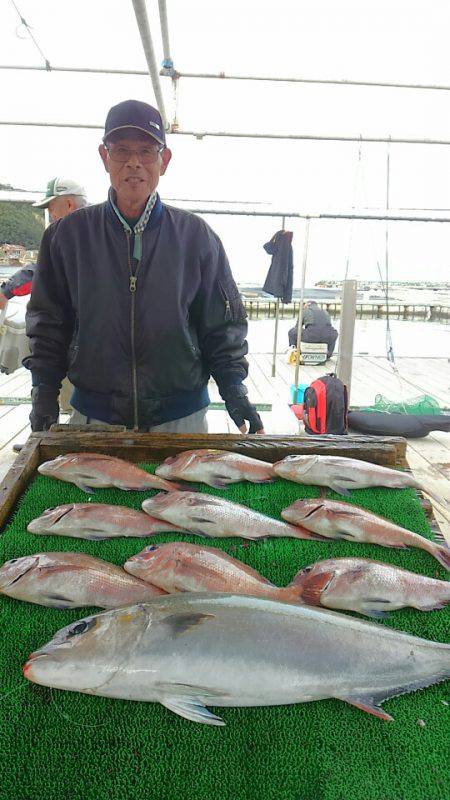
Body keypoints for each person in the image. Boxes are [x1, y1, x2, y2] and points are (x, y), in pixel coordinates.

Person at [24, 99, 264, 435]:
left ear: (163, 160)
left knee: (184, 491)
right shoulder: (65, 237)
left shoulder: (197, 237)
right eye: (121, 150)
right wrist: (44, 391)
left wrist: (234, 389)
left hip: (182, 419)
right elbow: (49, 323)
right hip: (95, 417)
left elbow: (222, 326)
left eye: (147, 151)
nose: (134, 162)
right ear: (104, 157)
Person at [0, 178, 87, 310]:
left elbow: (45, 271)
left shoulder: (76, 238)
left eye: (51, 209)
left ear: (69, 205)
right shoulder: (99, 230)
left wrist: (6, 291)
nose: (51, 216)